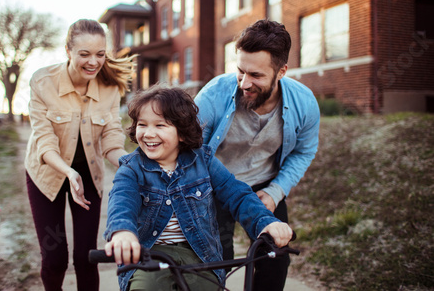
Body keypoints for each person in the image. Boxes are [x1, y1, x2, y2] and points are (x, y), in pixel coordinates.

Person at [103, 84, 294, 291]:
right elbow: (121, 202)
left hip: (199, 253)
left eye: (160, 126)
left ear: (182, 133)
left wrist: (265, 222)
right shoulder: (131, 169)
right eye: (142, 124)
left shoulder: (203, 160)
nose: (148, 134)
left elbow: (237, 194)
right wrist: (122, 232)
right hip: (149, 253)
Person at [194, 19, 320, 291]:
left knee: (275, 259)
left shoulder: (305, 103)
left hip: (265, 186)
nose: (244, 83)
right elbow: (193, 151)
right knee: (216, 265)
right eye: (240, 71)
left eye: (256, 76)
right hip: (215, 186)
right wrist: (227, 191)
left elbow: (304, 151)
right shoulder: (214, 94)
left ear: (281, 71)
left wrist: (276, 192)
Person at [24, 19, 135, 291]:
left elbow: (111, 135)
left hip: (88, 175)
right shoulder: (43, 81)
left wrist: (129, 164)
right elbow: (45, 142)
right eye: (84, 54)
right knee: (55, 257)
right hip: (47, 174)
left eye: (100, 54)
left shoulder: (110, 87)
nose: (93, 62)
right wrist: (68, 172)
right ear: (68, 51)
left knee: (87, 257)